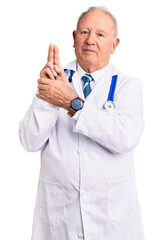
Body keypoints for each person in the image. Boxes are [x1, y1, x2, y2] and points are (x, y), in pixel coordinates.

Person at [19, 6, 145, 240]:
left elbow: (124, 137)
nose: (90, 40)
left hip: (113, 225)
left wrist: (71, 102)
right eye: (84, 32)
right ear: (74, 38)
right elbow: (30, 141)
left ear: (114, 44)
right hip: (59, 222)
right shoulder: (55, 80)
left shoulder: (128, 86)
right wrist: (46, 97)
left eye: (100, 35)